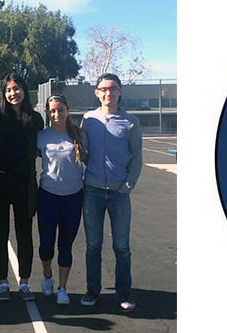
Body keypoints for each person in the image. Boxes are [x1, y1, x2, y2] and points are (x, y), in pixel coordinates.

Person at [80, 73, 142, 311]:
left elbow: (137, 157)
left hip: (119, 194)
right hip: (93, 192)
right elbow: (83, 151)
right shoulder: (89, 119)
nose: (108, 93)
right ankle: (92, 290)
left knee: (121, 247)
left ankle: (124, 292)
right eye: (103, 89)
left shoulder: (131, 122)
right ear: (97, 93)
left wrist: (128, 185)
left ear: (120, 92)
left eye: (113, 88)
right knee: (93, 245)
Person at [0, 73, 44, 301]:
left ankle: (25, 282)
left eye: (16, 88)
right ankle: (3, 283)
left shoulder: (35, 119)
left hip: (24, 183)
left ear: (24, 90)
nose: (13, 93)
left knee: (24, 234)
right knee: (0, 234)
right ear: (3, 93)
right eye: (8, 90)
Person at [36, 95, 87, 305]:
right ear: (48, 113)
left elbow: (89, 159)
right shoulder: (41, 136)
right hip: (48, 196)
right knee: (46, 246)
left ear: (68, 111)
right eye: (52, 111)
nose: (56, 114)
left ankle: (63, 288)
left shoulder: (79, 135)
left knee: (65, 245)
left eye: (61, 110)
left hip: (73, 197)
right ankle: (47, 275)